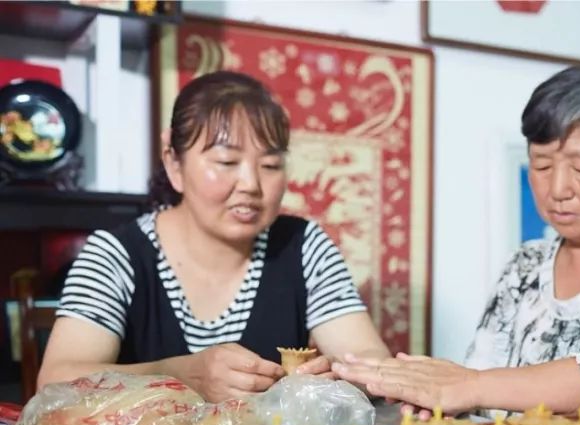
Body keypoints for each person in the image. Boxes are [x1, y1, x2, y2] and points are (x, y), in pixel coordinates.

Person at [334, 61, 580, 415]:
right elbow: (475, 388)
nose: (557, 188)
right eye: (541, 164)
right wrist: (430, 394)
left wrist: (472, 386)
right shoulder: (525, 265)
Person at [38, 71, 389, 402]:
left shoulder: (303, 247)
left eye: (270, 166)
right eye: (226, 162)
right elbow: (56, 382)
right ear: (175, 164)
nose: (251, 184)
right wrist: (177, 375)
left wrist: (334, 376)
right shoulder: (116, 255)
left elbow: (374, 364)